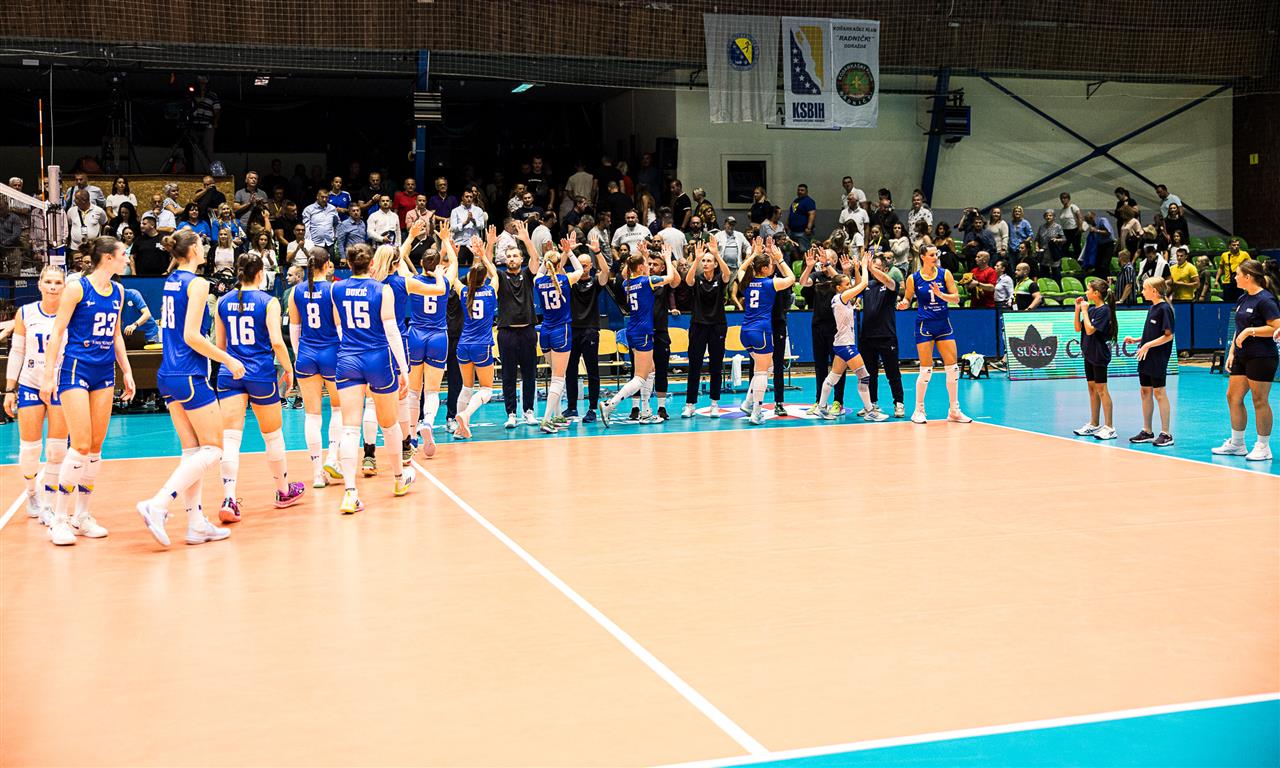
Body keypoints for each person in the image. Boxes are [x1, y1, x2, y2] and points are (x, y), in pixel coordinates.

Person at [135, 230, 245, 546]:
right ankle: (158, 504)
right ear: (194, 249)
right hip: (188, 374)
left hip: (168, 373)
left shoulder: (171, 281)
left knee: (193, 452)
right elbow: (192, 336)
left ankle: (196, 524)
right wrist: (228, 359)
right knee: (215, 448)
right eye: (202, 244)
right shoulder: (196, 284)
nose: (205, 248)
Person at [39, 237, 136, 546]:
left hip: (104, 371)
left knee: (95, 446)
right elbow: (57, 333)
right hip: (76, 369)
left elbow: (116, 334)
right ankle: (59, 519)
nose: (126, 258)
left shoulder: (119, 290)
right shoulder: (77, 288)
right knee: (79, 444)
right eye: (123, 254)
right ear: (107, 258)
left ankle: (82, 516)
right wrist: (48, 376)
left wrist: (127, 370)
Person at [214, 253, 306, 522]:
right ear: (260, 273)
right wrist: (289, 369)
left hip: (230, 372)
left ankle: (229, 498)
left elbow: (220, 346)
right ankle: (283, 491)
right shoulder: (269, 302)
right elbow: (277, 341)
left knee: (230, 438)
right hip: (260, 373)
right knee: (273, 435)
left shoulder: (222, 301)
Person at [330, 243, 415, 514]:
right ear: (373, 265)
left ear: (348, 263)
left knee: (349, 428)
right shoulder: (383, 290)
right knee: (389, 424)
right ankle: (399, 479)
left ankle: (350, 493)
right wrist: (404, 368)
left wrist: (351, 345)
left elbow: (339, 327)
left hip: (348, 359)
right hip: (378, 358)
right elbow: (392, 331)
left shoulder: (336, 289)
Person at [4, 267, 67, 525]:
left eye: (58, 282)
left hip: (61, 385)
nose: (52, 286)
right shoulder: (25, 312)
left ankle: (50, 503)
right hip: (30, 383)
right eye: (48, 282)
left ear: (64, 286)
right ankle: (32, 493)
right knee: (29, 449)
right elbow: (17, 352)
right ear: (39, 284)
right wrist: (10, 389)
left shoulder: (71, 313)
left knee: (56, 449)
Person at [598, 241, 680, 426]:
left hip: (633, 330)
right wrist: (668, 259)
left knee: (651, 370)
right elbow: (669, 278)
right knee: (640, 377)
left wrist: (642, 255)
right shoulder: (646, 281)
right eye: (645, 264)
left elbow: (632, 271)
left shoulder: (627, 283)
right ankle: (610, 404)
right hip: (643, 332)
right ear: (642, 267)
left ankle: (645, 412)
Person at [1213, 260, 1280, 461]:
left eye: (1237, 274)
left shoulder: (1266, 300)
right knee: (1233, 396)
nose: (1234, 278)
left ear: (1248, 276)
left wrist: (1251, 331)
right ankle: (1237, 443)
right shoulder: (1243, 298)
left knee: (1259, 400)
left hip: (1261, 356)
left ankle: (1263, 446)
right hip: (1242, 356)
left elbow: (1276, 327)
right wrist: (1232, 352)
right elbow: (1239, 328)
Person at [896, 246, 972, 424]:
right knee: (926, 369)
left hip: (943, 324)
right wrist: (904, 304)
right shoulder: (913, 278)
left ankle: (954, 411)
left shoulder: (945, 274)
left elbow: (956, 298)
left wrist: (941, 294)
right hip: (925, 325)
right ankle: (918, 410)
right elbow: (907, 298)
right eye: (931, 255)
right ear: (923, 257)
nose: (935, 256)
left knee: (953, 368)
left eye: (936, 254)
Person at [289, 246, 345, 487]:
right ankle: (332, 457)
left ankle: (316, 474)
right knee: (338, 408)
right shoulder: (333, 290)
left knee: (312, 415)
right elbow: (340, 327)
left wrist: (299, 354)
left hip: (306, 354)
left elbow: (294, 329)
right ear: (327, 264)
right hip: (331, 352)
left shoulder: (296, 291)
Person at [402, 219, 456, 457]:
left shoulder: (412, 282)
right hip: (438, 336)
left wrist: (411, 236)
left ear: (421, 264)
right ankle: (428, 423)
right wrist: (445, 240)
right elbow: (454, 262)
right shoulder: (445, 282)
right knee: (432, 391)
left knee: (414, 391)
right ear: (439, 265)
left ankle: (412, 436)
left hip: (415, 335)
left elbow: (399, 259)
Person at [814, 254, 888, 422]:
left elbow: (858, 287)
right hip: (846, 345)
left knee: (833, 377)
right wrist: (864, 265)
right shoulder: (841, 297)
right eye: (847, 284)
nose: (850, 286)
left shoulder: (843, 298)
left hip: (841, 344)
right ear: (839, 287)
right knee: (864, 376)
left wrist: (856, 269)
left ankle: (821, 408)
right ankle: (870, 411)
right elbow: (863, 285)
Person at [735, 239, 796, 424]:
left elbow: (741, 268)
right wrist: (780, 259)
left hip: (745, 331)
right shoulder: (771, 283)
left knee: (765, 367)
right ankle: (757, 412)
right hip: (761, 332)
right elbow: (792, 278)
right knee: (762, 372)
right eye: (770, 265)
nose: (773, 267)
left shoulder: (746, 282)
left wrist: (753, 254)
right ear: (764, 269)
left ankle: (747, 403)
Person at [532, 236, 586, 432]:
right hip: (561, 331)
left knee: (555, 375)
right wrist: (568, 252)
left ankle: (556, 416)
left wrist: (548, 257)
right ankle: (546, 420)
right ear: (558, 265)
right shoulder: (564, 279)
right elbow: (580, 270)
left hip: (545, 331)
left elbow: (539, 272)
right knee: (558, 378)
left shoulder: (538, 281)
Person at [452, 231, 500, 439]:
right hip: (482, 345)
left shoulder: (464, 292)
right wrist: (483, 256)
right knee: (486, 390)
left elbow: (453, 277)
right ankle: (465, 415)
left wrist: (454, 255)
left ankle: (459, 428)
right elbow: (495, 275)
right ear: (483, 278)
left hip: (463, 345)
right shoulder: (490, 291)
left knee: (466, 387)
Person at [495, 220, 541, 428]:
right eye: (509, 256)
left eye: (515, 256)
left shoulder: (527, 275)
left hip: (528, 331)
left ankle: (529, 411)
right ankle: (511, 413)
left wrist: (526, 240)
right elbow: (488, 265)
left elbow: (536, 259)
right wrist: (489, 244)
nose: (512, 259)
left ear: (521, 259)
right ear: (505, 259)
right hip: (507, 333)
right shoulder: (500, 276)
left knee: (530, 373)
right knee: (508, 375)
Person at [1123, 277, 1176, 447]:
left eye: (1145, 288)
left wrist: (1147, 345)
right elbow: (1153, 333)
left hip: (1158, 356)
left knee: (1159, 392)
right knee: (1145, 391)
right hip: (1146, 355)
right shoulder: (1152, 307)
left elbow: (1168, 336)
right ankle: (1147, 431)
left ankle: (1166, 434)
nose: (1142, 291)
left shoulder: (1165, 309)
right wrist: (1138, 340)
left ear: (1154, 291)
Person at [683, 239, 731, 418]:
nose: (706, 263)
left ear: (715, 264)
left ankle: (714, 404)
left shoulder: (720, 279)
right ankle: (690, 405)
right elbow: (687, 281)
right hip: (698, 325)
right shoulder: (697, 279)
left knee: (715, 366)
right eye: (704, 261)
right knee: (694, 365)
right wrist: (696, 259)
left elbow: (727, 274)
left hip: (717, 326)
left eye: (709, 261)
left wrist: (717, 254)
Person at [566, 238, 611, 422]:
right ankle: (571, 408)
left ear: (591, 266)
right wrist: (567, 251)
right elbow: (558, 271)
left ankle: (592, 408)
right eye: (580, 265)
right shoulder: (570, 282)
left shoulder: (595, 282)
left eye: (585, 265)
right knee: (570, 370)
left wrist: (598, 252)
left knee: (592, 371)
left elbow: (606, 272)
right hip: (572, 330)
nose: (583, 268)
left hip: (590, 330)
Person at [800, 245, 848, 416]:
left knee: (838, 366)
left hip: (836, 328)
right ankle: (820, 401)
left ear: (834, 261)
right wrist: (809, 267)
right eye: (821, 258)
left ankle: (838, 402)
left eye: (825, 258)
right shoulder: (816, 276)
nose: (821, 261)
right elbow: (803, 282)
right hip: (818, 326)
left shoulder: (839, 277)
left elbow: (842, 283)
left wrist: (828, 265)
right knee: (820, 365)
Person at [859, 254, 905, 417]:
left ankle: (898, 403)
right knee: (869, 373)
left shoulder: (892, 284)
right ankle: (872, 404)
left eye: (877, 268)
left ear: (885, 270)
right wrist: (859, 268)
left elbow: (888, 281)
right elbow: (855, 285)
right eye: (872, 268)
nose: (873, 271)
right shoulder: (867, 285)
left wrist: (870, 268)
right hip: (867, 337)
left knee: (892, 372)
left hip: (886, 335)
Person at [1072, 279, 1118, 440]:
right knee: (1092, 389)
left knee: (1102, 389)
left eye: (1088, 289)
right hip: (1088, 353)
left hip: (1099, 354)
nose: (1086, 292)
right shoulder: (1091, 309)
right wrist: (1078, 309)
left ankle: (1110, 427)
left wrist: (1084, 310)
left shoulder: (1104, 311)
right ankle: (1094, 423)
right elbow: (1078, 328)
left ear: (1096, 293)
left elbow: (1090, 330)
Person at [1217, 238, 1249, 304]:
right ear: (1229, 246)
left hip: (1239, 282)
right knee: (1227, 303)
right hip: (1228, 282)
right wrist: (1216, 280)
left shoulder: (1244, 254)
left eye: (1238, 245)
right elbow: (1220, 268)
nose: (1236, 246)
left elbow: (1250, 266)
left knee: (1239, 302)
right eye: (1234, 245)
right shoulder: (1224, 255)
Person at [788, 184, 816, 249]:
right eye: (798, 190)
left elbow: (812, 214)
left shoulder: (808, 201)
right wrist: (787, 224)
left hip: (803, 232)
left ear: (806, 191)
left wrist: (808, 228)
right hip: (793, 231)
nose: (800, 191)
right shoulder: (795, 201)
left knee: (804, 250)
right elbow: (792, 213)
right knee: (794, 250)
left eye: (802, 190)